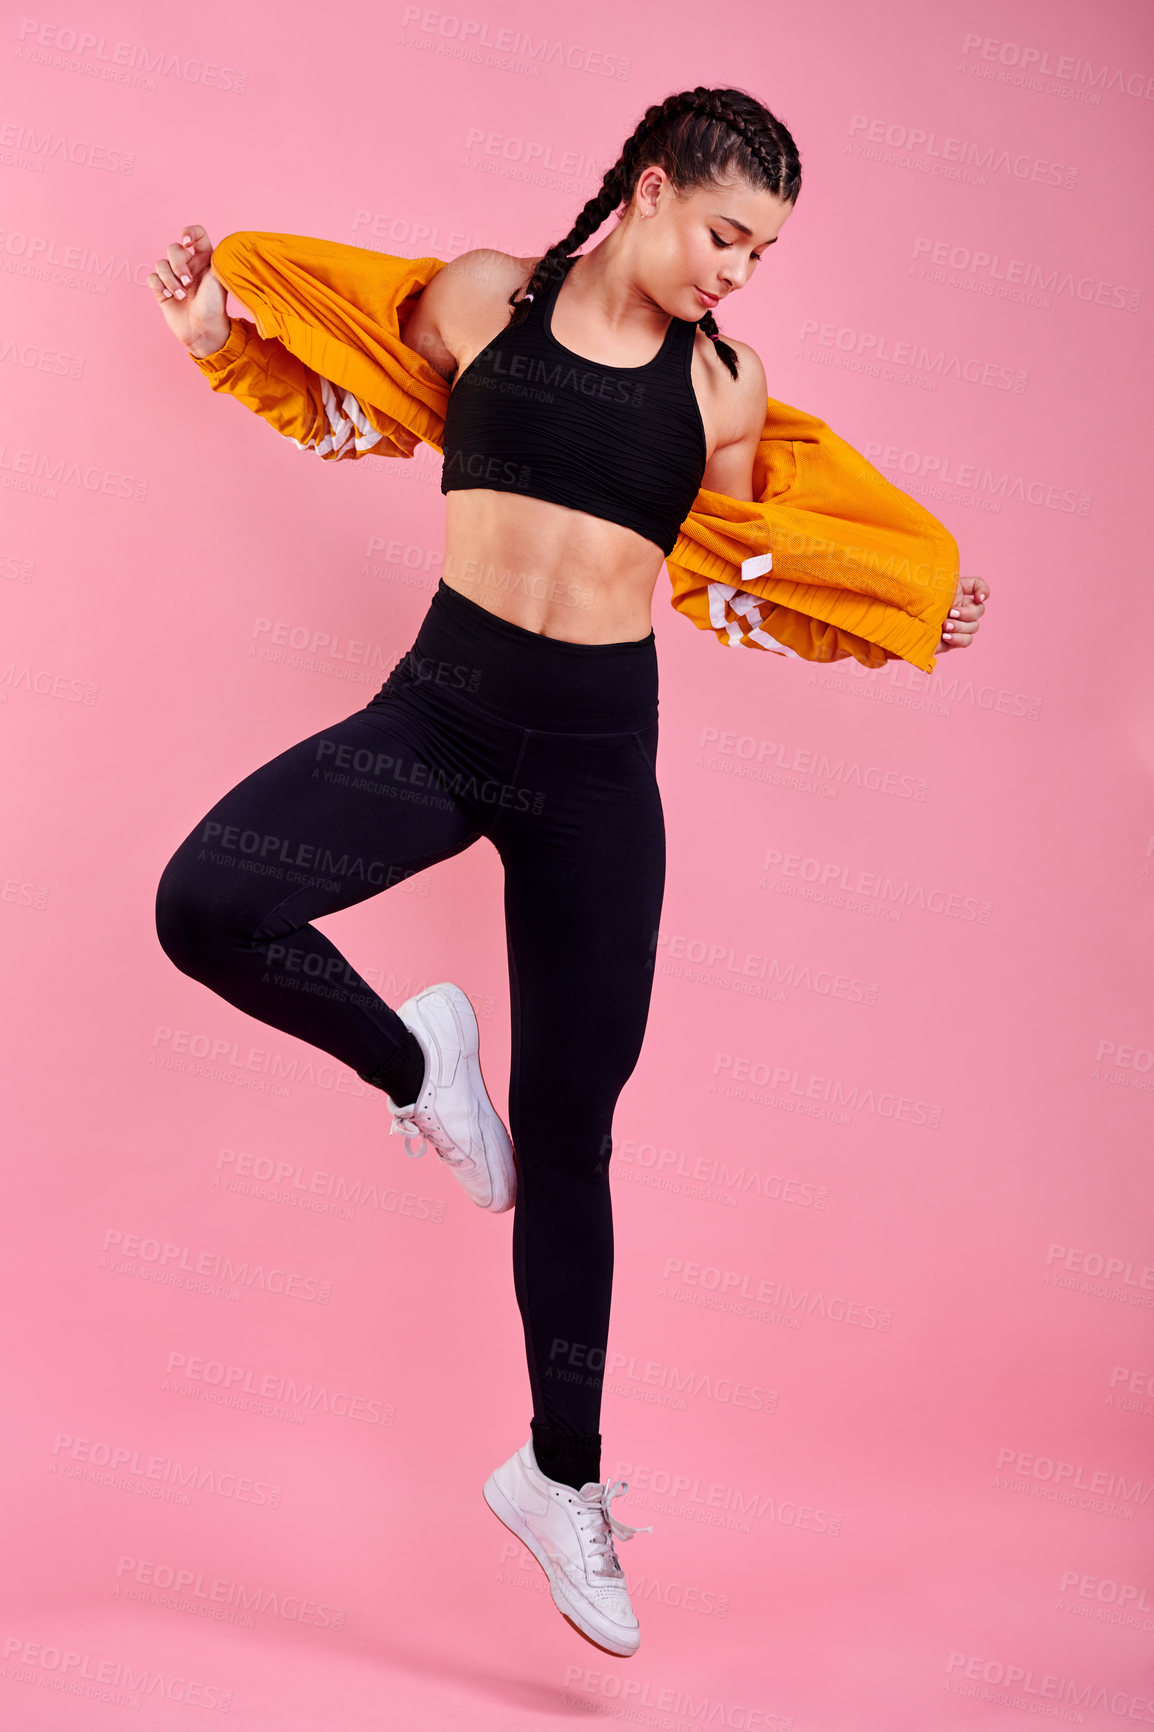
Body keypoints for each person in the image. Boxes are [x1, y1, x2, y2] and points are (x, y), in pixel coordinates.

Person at [148, 84, 989, 1659]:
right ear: (654, 192)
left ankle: (560, 1479)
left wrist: (892, 604)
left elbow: (754, 575)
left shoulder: (725, 390)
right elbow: (356, 399)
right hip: (437, 716)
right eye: (727, 235)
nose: (738, 273)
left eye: (763, 254)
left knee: (574, 1141)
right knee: (208, 902)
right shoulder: (485, 301)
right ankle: (416, 1059)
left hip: (598, 771)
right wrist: (215, 340)